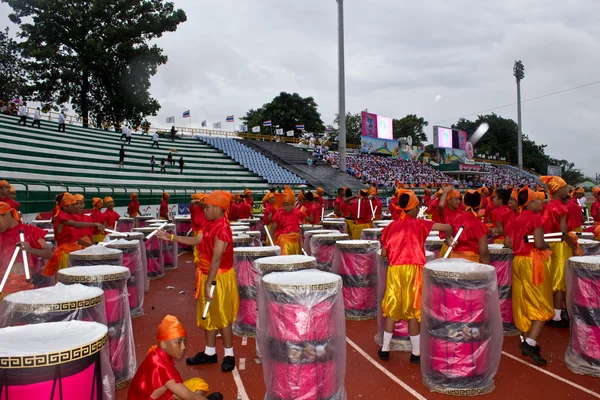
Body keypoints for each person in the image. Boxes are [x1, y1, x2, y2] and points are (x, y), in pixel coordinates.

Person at [157, 191, 238, 373]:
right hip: (207, 275)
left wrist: (209, 283)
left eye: (207, 207)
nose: (204, 210)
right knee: (207, 315)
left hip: (219, 278)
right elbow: (196, 240)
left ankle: (229, 354)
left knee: (223, 318)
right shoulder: (210, 225)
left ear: (218, 208)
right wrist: (171, 237)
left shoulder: (223, 228)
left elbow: (217, 259)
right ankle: (210, 353)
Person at [379, 189, 453, 363]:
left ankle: (385, 350)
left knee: (391, 309)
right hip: (414, 271)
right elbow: (447, 227)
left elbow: (383, 253)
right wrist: (448, 238)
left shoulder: (391, 226)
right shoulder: (420, 224)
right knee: (413, 310)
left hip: (396, 271)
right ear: (412, 208)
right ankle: (416, 353)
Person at [504, 186, 553, 365]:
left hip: (518, 261)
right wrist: (547, 246)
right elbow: (539, 243)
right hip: (533, 263)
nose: (541, 202)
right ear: (530, 203)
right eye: (538, 200)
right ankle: (530, 343)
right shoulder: (535, 218)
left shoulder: (515, 218)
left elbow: (508, 243)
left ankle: (526, 340)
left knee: (523, 301)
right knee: (542, 302)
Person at [127, 315, 223, 400]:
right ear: (164, 344)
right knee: (192, 393)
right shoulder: (162, 366)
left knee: (198, 384)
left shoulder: (156, 354)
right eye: (178, 342)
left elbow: (172, 390)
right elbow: (189, 396)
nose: (183, 347)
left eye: (184, 341)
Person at [540, 176, 577, 328]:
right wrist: (573, 246)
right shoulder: (562, 208)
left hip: (549, 245)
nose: (567, 190)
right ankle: (556, 315)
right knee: (561, 281)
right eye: (564, 187)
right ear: (558, 189)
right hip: (561, 246)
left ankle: (552, 312)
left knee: (551, 278)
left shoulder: (547, 206)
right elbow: (563, 232)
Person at [43, 193, 105, 277]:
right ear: (65, 206)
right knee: (68, 282)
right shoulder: (61, 216)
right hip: (66, 255)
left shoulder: (69, 216)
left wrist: (91, 246)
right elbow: (75, 224)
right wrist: (95, 224)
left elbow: (75, 238)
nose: (76, 207)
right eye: (73, 204)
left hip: (74, 253)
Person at [0, 202, 52, 298]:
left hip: (25, 286)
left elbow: (48, 254)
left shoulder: (30, 231)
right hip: (3, 286)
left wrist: (30, 250)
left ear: (7, 214)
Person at [448, 190, 490, 264]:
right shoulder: (479, 224)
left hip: (454, 261)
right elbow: (483, 252)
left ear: (464, 204)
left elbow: (448, 239)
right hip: (471, 263)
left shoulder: (455, 219)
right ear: (480, 204)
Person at [269, 186, 305, 255]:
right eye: (284, 205)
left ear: (293, 204)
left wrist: (301, 241)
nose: (285, 207)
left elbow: (298, 228)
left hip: (295, 241)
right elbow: (272, 229)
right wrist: (271, 243)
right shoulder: (279, 214)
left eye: (287, 205)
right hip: (284, 242)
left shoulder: (298, 213)